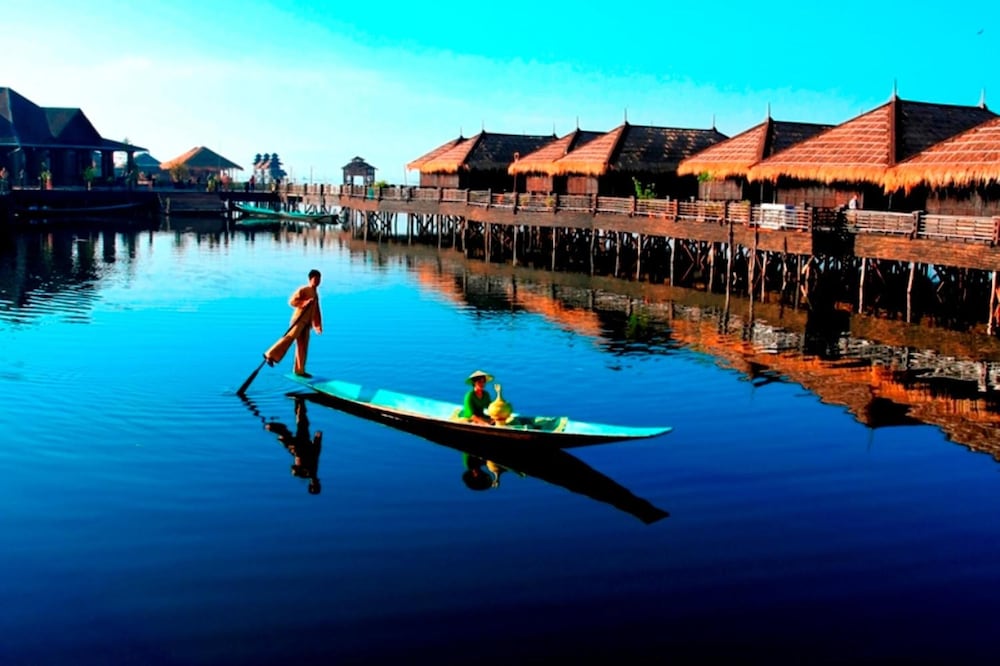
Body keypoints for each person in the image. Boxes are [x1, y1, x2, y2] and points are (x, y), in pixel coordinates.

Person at [264, 269, 323, 377]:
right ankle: (270, 355)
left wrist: (317, 325)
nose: (317, 281)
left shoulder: (315, 294)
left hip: (307, 323)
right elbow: (292, 301)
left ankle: (299, 370)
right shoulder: (304, 289)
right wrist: (304, 303)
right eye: (315, 279)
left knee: (303, 346)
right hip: (298, 320)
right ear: (310, 279)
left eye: (319, 279)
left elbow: (316, 310)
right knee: (289, 338)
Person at [265, 397, 322, 494]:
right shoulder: (312, 473)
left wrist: (296, 470)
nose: (314, 482)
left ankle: (277, 428)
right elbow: (316, 454)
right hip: (304, 446)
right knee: (301, 422)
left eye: (313, 485)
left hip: (297, 448)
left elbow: (295, 467)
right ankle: (299, 401)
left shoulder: (307, 474)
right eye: (315, 484)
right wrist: (317, 439)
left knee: (297, 426)